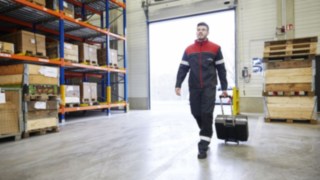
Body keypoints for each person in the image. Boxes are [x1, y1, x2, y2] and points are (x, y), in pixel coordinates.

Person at [175, 22, 228, 159]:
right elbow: (183, 68)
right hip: (194, 87)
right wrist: (178, 84)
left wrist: (224, 87)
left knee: (206, 113)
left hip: (209, 87)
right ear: (196, 32)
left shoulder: (215, 48)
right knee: (196, 112)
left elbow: (221, 70)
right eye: (198, 29)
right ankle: (207, 130)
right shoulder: (189, 50)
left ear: (207, 32)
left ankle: (203, 146)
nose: (200, 31)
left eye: (203, 29)